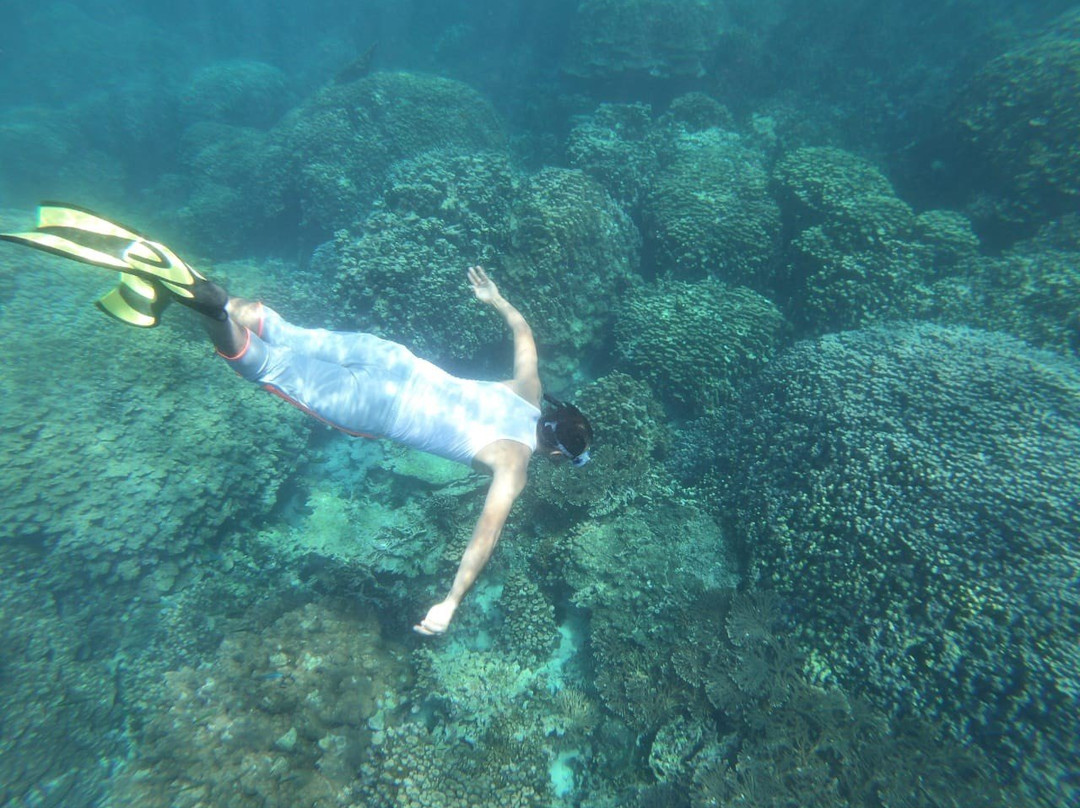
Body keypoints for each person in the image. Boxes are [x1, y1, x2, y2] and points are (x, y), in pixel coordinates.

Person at [1, 203, 593, 635]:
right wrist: (452, 602)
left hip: (392, 357)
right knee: (268, 369)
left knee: (283, 329)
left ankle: (211, 297)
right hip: (377, 406)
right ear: (559, 454)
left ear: (556, 414)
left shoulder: (530, 390)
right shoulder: (514, 465)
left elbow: (524, 331)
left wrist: (494, 299)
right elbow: (483, 540)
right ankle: (202, 301)